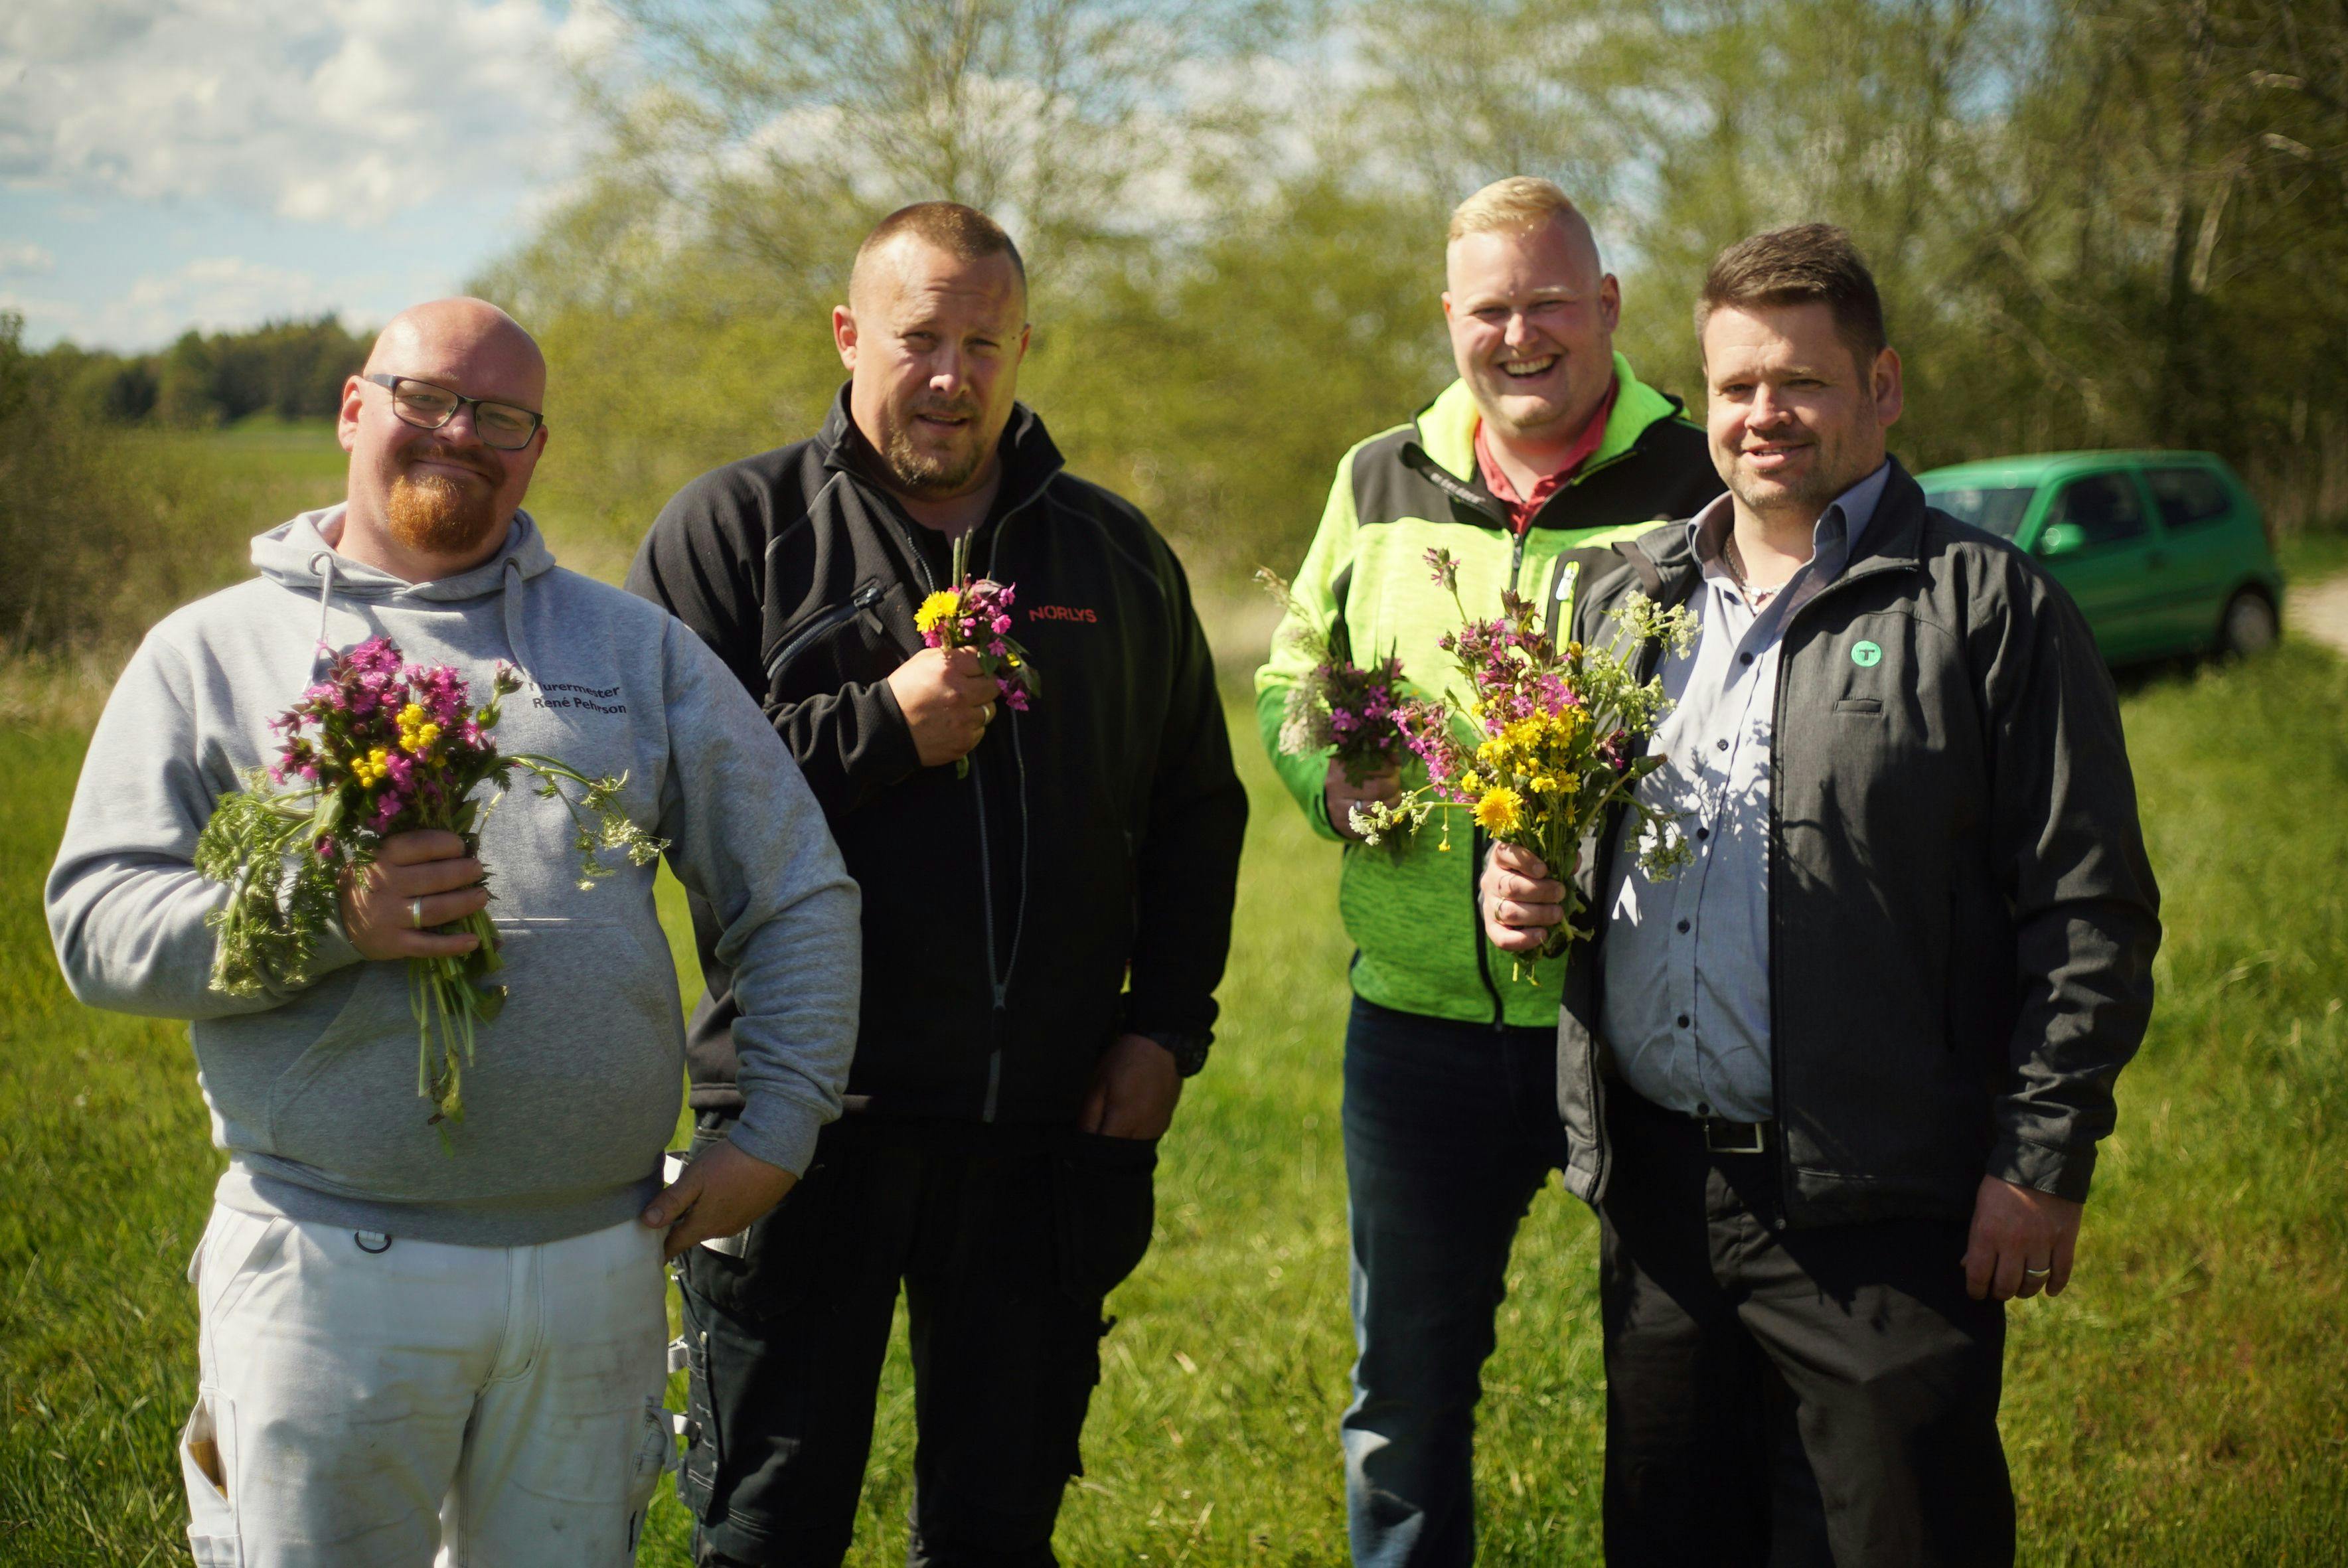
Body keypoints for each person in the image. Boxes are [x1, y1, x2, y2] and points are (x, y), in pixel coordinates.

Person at [45, 298, 862, 1568]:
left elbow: (797, 884)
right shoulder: (211, 653)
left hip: (599, 1260)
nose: (459, 432)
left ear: (536, 447)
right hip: (329, 1263)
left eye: (500, 414)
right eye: (426, 396)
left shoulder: (630, 648)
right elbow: (96, 924)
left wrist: (780, 1121)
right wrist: (329, 912)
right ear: (353, 407)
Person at [1480, 225, 2162, 1565]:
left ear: (1882, 388)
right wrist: (1521, 875)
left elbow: (2088, 912)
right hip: (1662, 1198)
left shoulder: (1989, 607)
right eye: (1732, 386)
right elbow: (1555, 833)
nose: (1759, 416)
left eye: (1797, 381)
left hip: (1882, 1210)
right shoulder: (1619, 600)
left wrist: (2037, 1160)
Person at [627, 202, 1248, 1567]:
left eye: (984, 341)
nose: (951, 376)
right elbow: (658, 789)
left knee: (992, 1526)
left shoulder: (1112, 555)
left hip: (1038, 1131)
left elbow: (1195, 810)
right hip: (798, 1123)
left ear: (1024, 347)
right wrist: (875, 730)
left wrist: (1164, 1027)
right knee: (764, 1519)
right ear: (850, 334)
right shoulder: (733, 533)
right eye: (918, 339)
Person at [1253, 177, 1723, 1566]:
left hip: (1647, 1023)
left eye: (1548, 303)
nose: (1520, 335)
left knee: (1675, 1390)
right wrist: (1329, 778)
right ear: (1447, 319)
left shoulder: (1698, 485)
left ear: (1608, 309)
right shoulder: (1373, 477)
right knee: (1400, 1397)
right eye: (1488, 308)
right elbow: (1294, 672)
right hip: (1415, 1027)